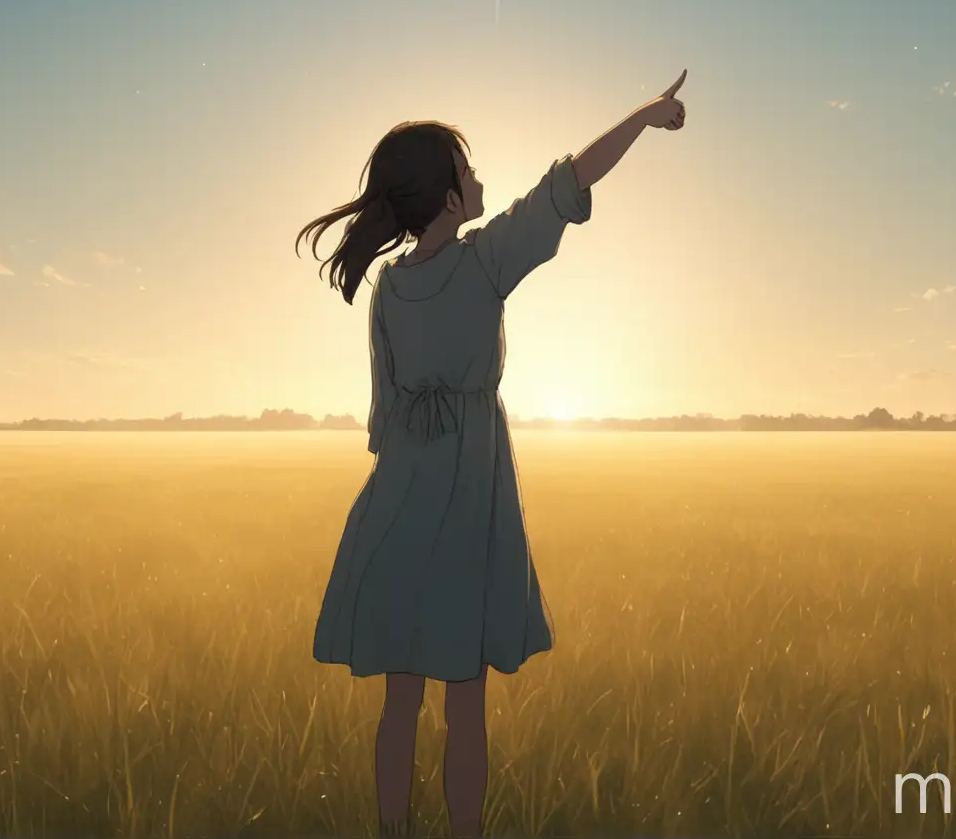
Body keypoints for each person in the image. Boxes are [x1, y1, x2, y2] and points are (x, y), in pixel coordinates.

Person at [294, 71, 688, 837]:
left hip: (399, 500)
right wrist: (641, 117)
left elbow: (381, 416)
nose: (479, 182)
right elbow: (567, 184)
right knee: (464, 701)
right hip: (467, 503)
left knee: (400, 699)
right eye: (468, 174)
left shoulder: (386, 289)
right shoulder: (482, 263)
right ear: (446, 197)